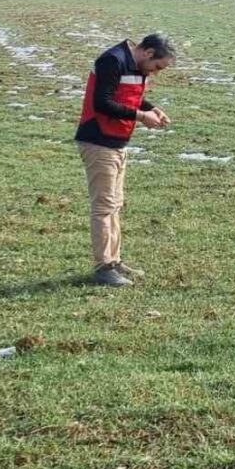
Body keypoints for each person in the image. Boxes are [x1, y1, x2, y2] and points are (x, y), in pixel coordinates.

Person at [74, 34, 175, 286]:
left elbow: (128, 96)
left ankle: (114, 261)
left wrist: (151, 109)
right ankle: (103, 267)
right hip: (99, 141)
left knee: (115, 204)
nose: (156, 73)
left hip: (117, 142)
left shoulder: (135, 66)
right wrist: (142, 117)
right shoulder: (112, 60)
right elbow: (103, 102)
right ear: (148, 53)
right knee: (104, 207)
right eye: (158, 67)